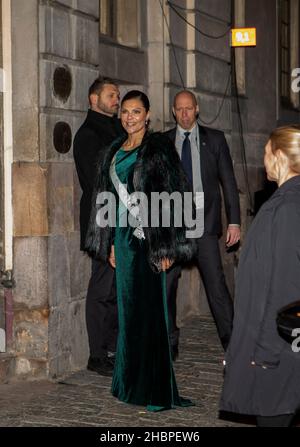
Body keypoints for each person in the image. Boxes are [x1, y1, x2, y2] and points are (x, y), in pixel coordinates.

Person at [85, 90, 196, 411]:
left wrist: (168, 246)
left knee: (150, 315)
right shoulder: (113, 151)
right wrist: (108, 244)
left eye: (136, 112)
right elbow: (105, 199)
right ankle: (129, 383)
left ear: (148, 115)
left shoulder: (158, 148)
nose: (129, 117)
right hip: (122, 240)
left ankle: (154, 387)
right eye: (125, 112)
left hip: (149, 240)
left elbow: (176, 196)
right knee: (128, 315)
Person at [220, 125, 300, 427]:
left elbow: (285, 285)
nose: (262, 160)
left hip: (279, 349)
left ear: (279, 156)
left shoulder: (287, 209)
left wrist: (264, 351)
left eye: (266, 153)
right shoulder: (287, 202)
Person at [165, 90, 241, 358]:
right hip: (172, 229)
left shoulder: (215, 139)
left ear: (197, 109)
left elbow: (228, 182)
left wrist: (234, 221)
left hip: (205, 225)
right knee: (167, 286)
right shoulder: (163, 142)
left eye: (189, 108)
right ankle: (169, 341)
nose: (184, 114)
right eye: (179, 109)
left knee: (216, 287)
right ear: (173, 112)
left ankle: (233, 344)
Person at [73, 77, 123, 376]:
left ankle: (114, 348)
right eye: (111, 95)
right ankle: (96, 355)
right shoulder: (89, 134)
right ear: (94, 99)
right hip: (101, 219)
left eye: (117, 94)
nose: (116, 99)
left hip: (121, 217)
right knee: (102, 287)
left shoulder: (116, 129)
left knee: (116, 289)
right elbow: (100, 182)